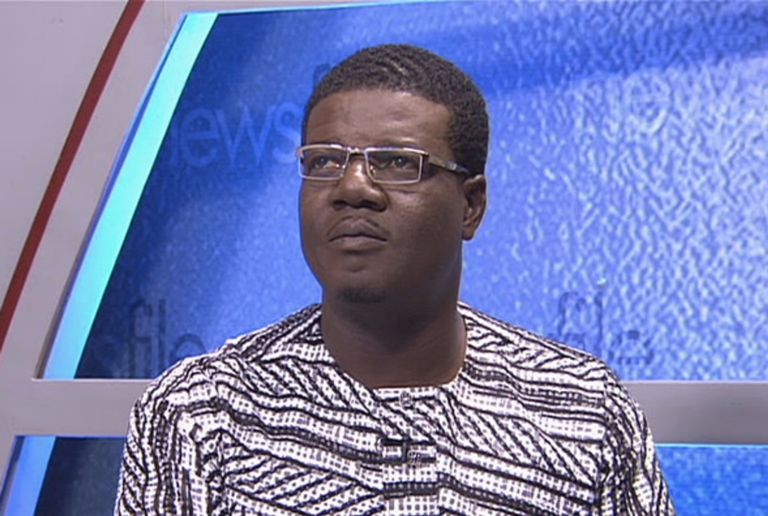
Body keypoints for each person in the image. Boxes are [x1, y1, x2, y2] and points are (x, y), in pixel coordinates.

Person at [115, 44, 675, 515]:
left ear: (471, 206)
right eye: (325, 161)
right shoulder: (201, 413)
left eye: (397, 162)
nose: (352, 188)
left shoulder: (581, 410)